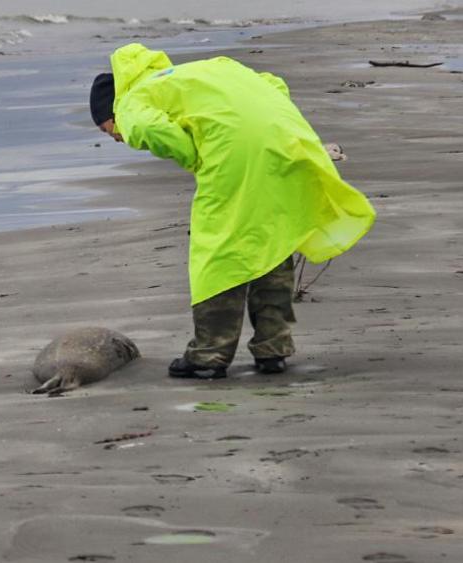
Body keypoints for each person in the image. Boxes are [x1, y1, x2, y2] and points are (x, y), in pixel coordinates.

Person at [90, 43, 375, 379]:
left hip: (236, 153)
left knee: (218, 248)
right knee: (273, 237)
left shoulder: (132, 101)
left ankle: (209, 355)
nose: (116, 137)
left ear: (111, 111)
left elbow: (152, 130)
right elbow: (274, 83)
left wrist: (194, 156)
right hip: (286, 138)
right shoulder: (201, 70)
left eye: (108, 130)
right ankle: (274, 349)